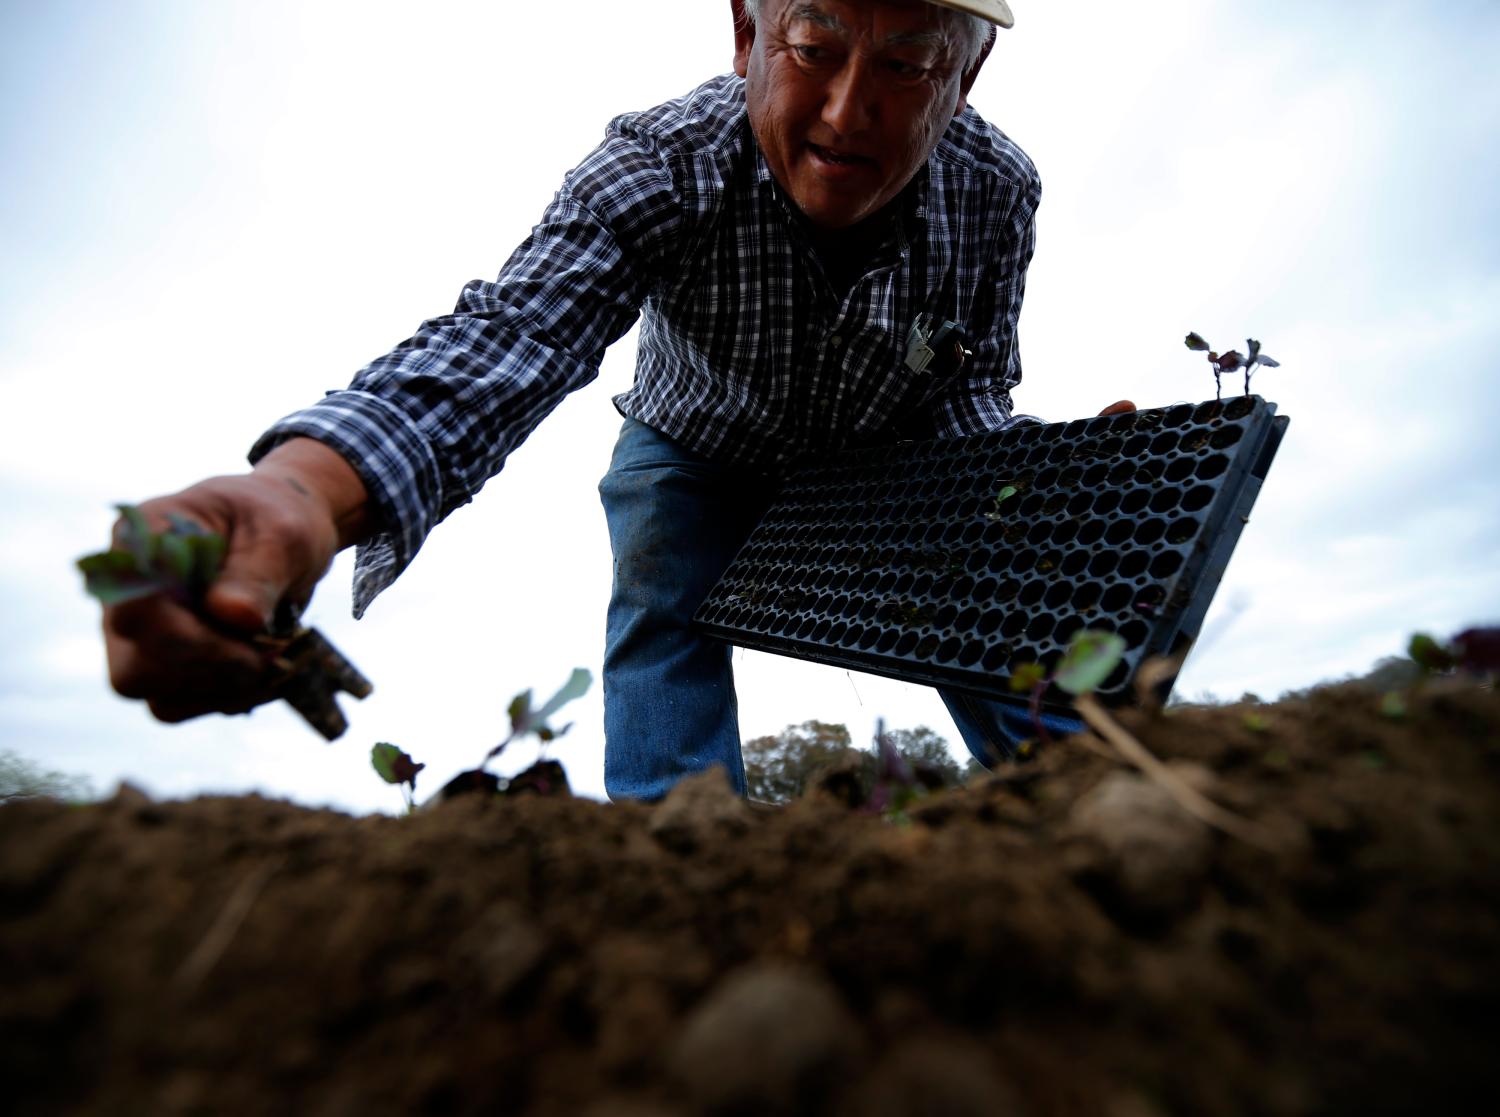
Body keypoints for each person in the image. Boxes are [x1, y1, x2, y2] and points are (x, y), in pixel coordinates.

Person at [99, 0, 1132, 801]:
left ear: (968, 71)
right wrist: (304, 488)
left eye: (907, 65)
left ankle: (1096, 802)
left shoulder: (998, 190)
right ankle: (678, 841)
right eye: (813, 48)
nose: (846, 112)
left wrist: (1023, 486)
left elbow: (969, 387)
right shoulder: (664, 163)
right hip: (693, 439)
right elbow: (513, 335)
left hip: (877, 447)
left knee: (990, 589)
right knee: (662, 599)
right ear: (747, 31)